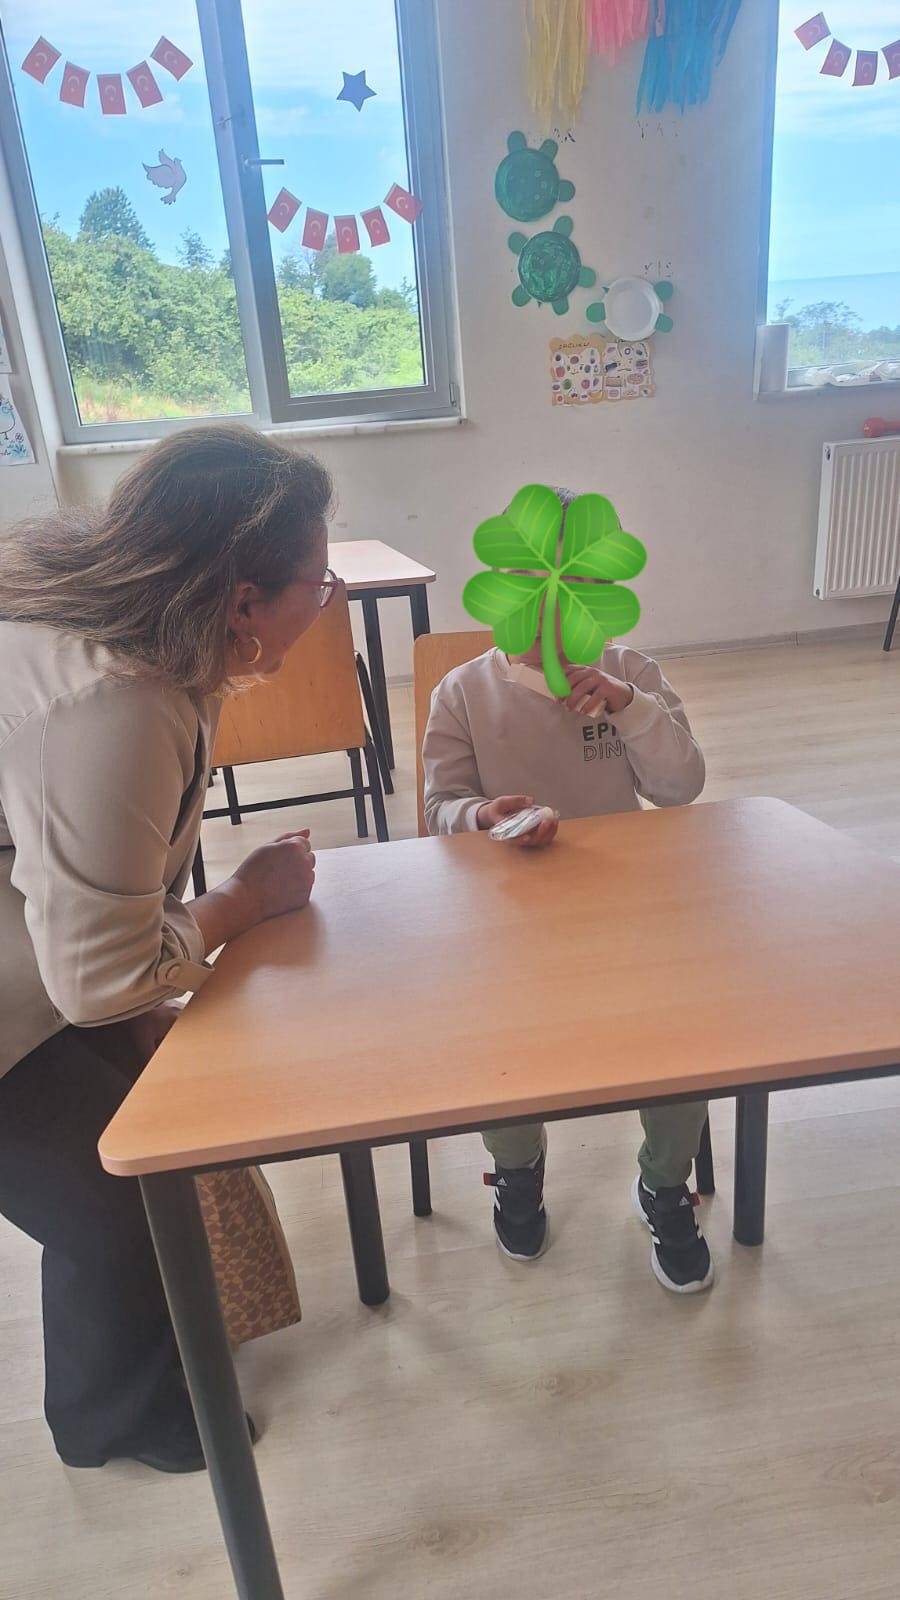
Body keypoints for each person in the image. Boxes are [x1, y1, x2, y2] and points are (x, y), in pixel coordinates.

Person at [0, 424, 337, 1471]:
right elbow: (100, 980)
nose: (325, 603)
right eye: (318, 585)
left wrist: (152, 974)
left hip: (28, 925)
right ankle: (117, 1419)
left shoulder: (93, 596)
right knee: (118, 1185)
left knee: (138, 1141)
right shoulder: (116, 701)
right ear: (242, 601)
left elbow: (106, 893)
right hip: (31, 973)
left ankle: (115, 1387)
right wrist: (241, 900)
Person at [423, 487, 712, 1294]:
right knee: (499, 1030)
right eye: (531, 589)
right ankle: (516, 1168)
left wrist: (630, 708)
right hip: (509, 918)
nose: (554, 613)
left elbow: (682, 787)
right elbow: (439, 811)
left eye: (579, 590)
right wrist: (482, 814)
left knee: (682, 1022)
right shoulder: (463, 692)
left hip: (627, 906)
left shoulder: (629, 673)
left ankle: (664, 1181)